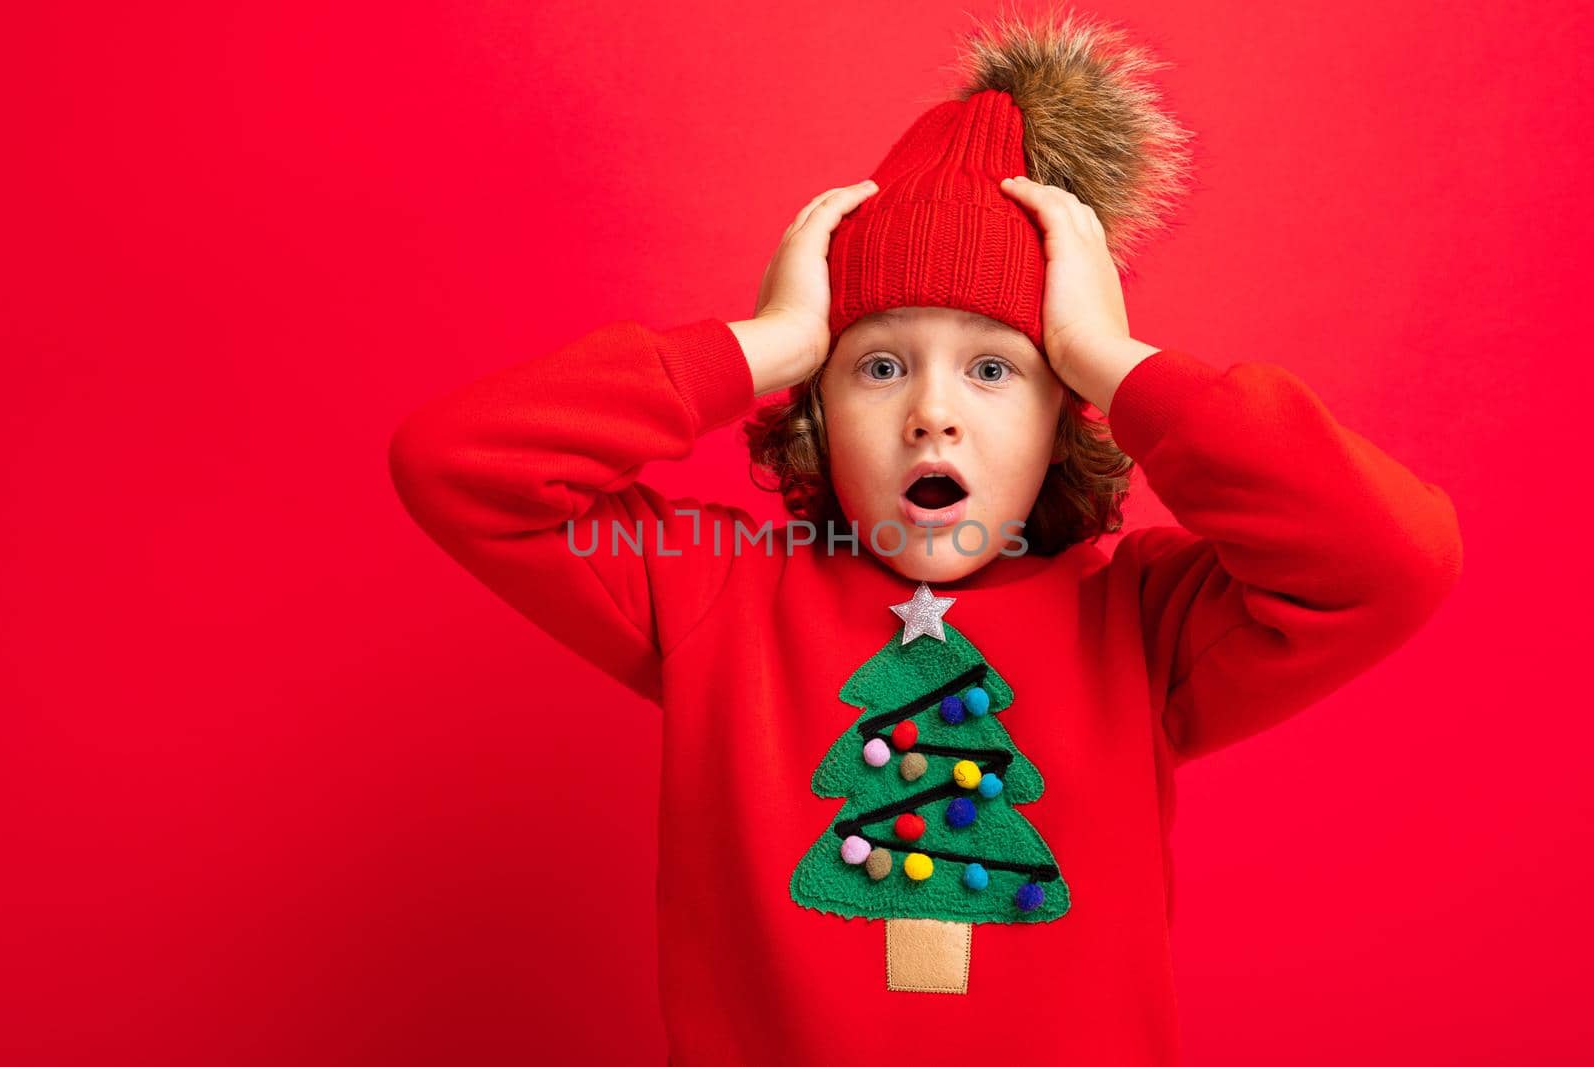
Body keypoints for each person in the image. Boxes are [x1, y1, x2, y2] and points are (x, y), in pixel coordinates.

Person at [387, 9, 1461, 1064]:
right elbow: (461, 466)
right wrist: (759, 344)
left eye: (995, 369)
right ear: (814, 407)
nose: (932, 412)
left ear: (1062, 417)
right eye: (879, 364)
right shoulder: (715, 590)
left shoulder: (1142, 623)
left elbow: (1390, 558)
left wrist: (1110, 356)